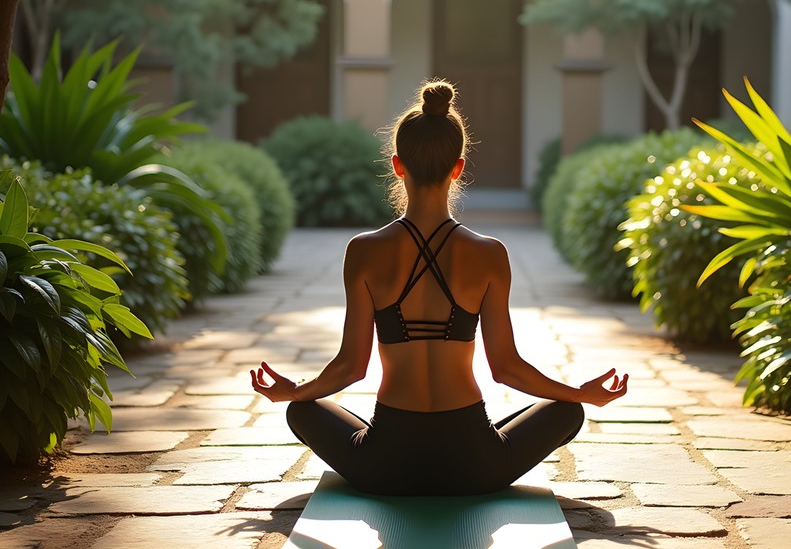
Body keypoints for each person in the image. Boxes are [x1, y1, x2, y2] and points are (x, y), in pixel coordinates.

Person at [250, 79, 629, 496]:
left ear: (397, 165)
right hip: (474, 463)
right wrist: (579, 393)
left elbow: (350, 368)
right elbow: (505, 368)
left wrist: (296, 391)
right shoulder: (490, 254)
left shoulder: (363, 251)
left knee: (302, 412)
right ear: (458, 167)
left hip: (384, 464)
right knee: (567, 411)